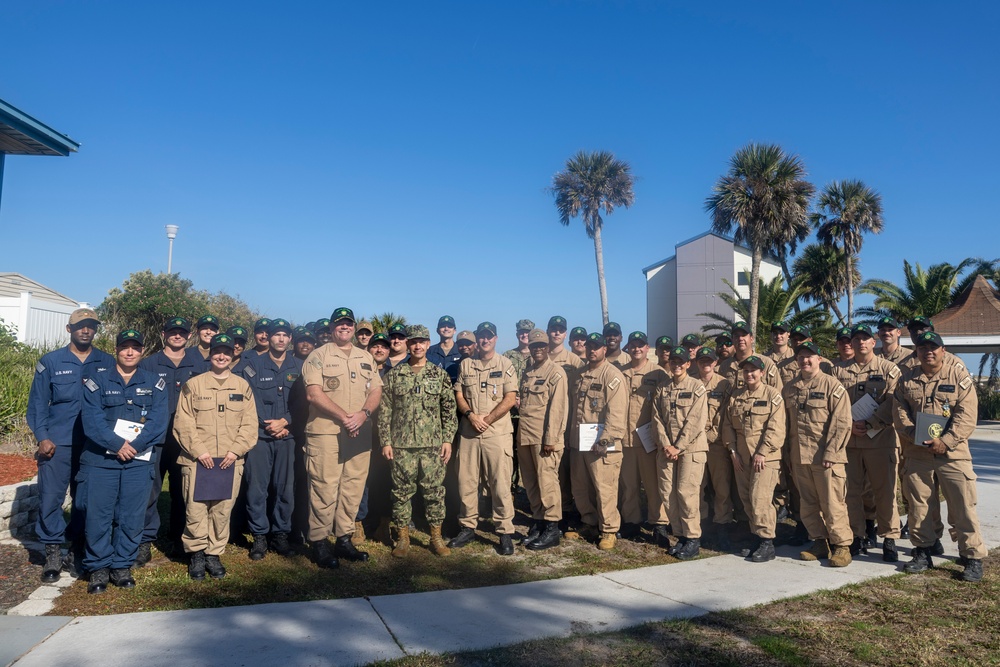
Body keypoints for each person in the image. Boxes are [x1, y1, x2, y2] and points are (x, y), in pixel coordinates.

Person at [27, 308, 114, 582]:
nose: (86, 330)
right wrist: (42, 437)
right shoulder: (51, 361)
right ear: (69, 329)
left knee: (85, 499)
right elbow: (38, 403)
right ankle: (52, 551)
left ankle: (76, 549)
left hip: (93, 444)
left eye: (91, 326)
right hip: (57, 443)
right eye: (80, 326)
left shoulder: (107, 362)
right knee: (51, 497)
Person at [79, 329, 167, 593]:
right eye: (125, 347)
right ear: (116, 350)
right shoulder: (96, 381)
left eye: (135, 348)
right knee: (99, 515)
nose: (130, 352)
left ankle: (121, 566)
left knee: (132, 515)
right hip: (101, 460)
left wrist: (134, 446)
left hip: (137, 461)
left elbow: (158, 421)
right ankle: (98, 567)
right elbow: (92, 421)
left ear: (142, 351)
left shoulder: (155, 383)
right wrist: (117, 445)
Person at [894, 331, 986, 582]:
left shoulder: (958, 376)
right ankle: (923, 551)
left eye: (933, 347)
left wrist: (945, 442)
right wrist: (913, 435)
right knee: (919, 506)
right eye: (923, 348)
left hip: (953, 454)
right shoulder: (906, 379)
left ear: (943, 351)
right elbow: (899, 412)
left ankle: (971, 557)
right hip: (917, 452)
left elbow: (967, 415)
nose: (928, 352)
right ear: (917, 352)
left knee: (963, 505)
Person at [173, 333, 257, 580]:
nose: (222, 356)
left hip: (230, 460)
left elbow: (250, 424)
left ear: (233, 355)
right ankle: (197, 553)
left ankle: (214, 553)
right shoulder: (194, 385)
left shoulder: (242, 386)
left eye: (227, 352)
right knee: (196, 509)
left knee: (222, 509)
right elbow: (183, 422)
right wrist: (199, 451)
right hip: (198, 460)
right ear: (210, 355)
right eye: (217, 352)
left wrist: (235, 450)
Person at [302, 307, 382, 568]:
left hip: (359, 433)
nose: (344, 327)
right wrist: (346, 417)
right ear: (331, 327)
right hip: (326, 432)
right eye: (339, 324)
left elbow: (376, 390)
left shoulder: (365, 357)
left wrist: (363, 414)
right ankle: (319, 542)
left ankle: (344, 539)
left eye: (349, 324)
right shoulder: (318, 356)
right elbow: (313, 393)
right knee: (324, 487)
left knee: (353, 486)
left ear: (354, 327)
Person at [378, 325, 458, 557]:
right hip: (401, 445)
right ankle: (403, 538)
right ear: (408, 344)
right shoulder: (395, 375)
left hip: (433, 446)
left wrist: (447, 440)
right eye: (413, 342)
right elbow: (385, 411)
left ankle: (436, 537)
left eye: (422, 341)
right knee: (401, 493)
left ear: (428, 344)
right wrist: (386, 441)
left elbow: (448, 410)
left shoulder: (439, 375)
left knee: (434, 492)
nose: (417, 346)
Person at [832, 324, 902, 561]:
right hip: (850, 441)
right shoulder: (838, 371)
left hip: (880, 440)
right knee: (850, 492)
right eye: (856, 339)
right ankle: (857, 536)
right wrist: (848, 425)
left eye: (865, 338)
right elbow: (833, 404)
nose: (860, 342)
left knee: (885, 492)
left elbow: (893, 401)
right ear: (850, 344)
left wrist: (871, 422)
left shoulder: (888, 369)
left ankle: (889, 537)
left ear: (874, 342)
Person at [449, 322, 519, 554]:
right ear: (477, 339)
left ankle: (504, 531)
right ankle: (468, 526)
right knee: (466, 482)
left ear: (495, 339)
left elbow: (510, 398)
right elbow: (459, 394)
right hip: (469, 432)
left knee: (500, 483)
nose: (485, 340)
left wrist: (487, 419)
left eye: (489, 336)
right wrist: (470, 416)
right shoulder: (466, 364)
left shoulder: (505, 364)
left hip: (496, 433)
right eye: (481, 336)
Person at [237, 318, 303, 560]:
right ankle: (259, 536)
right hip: (259, 437)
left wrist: (285, 422)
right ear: (269, 337)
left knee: (285, 488)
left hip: (288, 436)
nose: (281, 339)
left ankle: (280, 534)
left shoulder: (300, 367)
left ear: (290, 339)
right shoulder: (251, 366)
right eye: (276, 335)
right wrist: (269, 425)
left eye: (285, 335)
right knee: (257, 489)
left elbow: (304, 402)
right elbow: (245, 400)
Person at [784, 342, 853, 567]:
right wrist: (788, 456)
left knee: (833, 503)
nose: (805, 360)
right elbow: (786, 425)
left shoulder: (832, 386)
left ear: (819, 359)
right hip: (799, 457)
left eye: (810, 356)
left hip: (826, 457)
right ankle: (819, 542)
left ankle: (842, 546)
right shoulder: (790, 388)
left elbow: (842, 422)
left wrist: (832, 452)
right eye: (801, 357)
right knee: (808, 504)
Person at [136, 317, 200, 563]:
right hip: (155, 439)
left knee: (183, 492)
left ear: (189, 336)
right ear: (163, 334)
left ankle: (179, 539)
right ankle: (145, 540)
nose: (177, 335)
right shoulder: (149, 364)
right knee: (149, 491)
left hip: (185, 440)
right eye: (172, 332)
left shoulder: (199, 364)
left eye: (182, 332)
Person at [720, 355, 785, 563]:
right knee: (747, 499)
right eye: (746, 371)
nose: (749, 374)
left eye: (753, 371)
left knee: (760, 499)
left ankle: (767, 542)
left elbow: (776, 428)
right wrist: (732, 451)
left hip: (765, 458)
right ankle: (756, 537)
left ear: (762, 373)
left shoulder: (772, 395)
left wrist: (763, 451)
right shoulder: (736, 396)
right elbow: (727, 425)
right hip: (741, 457)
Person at [566, 332, 628, 550]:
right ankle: (589, 523)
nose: (592, 350)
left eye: (597, 347)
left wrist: (605, 441)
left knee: (605, 489)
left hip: (602, 445)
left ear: (604, 349)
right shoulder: (579, 374)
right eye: (589, 346)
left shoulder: (612, 375)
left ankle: (609, 530)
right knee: (581, 487)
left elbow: (617, 413)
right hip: (579, 443)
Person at [651, 346, 708, 560]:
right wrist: (666, 445)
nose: (676, 365)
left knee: (686, 492)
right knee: (667, 492)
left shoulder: (696, 387)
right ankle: (680, 535)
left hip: (691, 449)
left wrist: (679, 446)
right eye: (673, 362)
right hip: (666, 450)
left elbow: (695, 421)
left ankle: (693, 537)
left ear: (688, 364)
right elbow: (656, 418)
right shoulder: (662, 388)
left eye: (680, 362)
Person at [516, 329, 569, 551]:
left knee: (547, 483)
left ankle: (552, 527)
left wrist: (551, 439)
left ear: (547, 347)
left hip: (544, 439)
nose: (537, 349)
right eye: (534, 346)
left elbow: (558, 409)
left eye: (541, 345)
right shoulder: (528, 371)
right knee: (531, 482)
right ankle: (538, 521)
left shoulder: (556, 373)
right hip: (526, 436)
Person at [618, 331, 668, 541]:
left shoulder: (658, 373)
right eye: (633, 345)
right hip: (625, 439)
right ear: (628, 348)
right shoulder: (620, 373)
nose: (636, 349)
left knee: (653, 485)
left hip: (650, 440)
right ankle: (631, 522)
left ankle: (659, 523)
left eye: (640, 345)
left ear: (647, 348)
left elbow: (665, 408)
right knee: (628, 485)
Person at [695, 347, 734, 549]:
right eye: (702, 360)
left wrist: (710, 436)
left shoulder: (724, 384)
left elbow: (726, 414)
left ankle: (722, 525)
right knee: (697, 486)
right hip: (694, 444)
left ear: (715, 362)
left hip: (717, 444)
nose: (706, 364)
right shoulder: (691, 383)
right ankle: (700, 525)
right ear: (697, 363)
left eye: (709, 361)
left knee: (721, 487)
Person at [719, 321, 782, 392]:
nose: (740, 338)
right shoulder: (725, 366)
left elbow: (778, 392)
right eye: (736, 336)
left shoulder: (766, 363)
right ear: (732, 340)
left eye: (744, 335)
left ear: (751, 338)